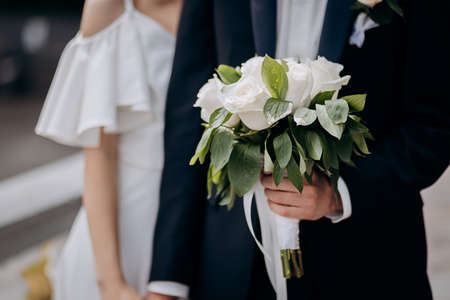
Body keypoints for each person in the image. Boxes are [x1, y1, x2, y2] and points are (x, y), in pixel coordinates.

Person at [147, 0, 450, 299]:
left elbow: (434, 122)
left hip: (367, 257)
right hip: (233, 260)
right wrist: (167, 280)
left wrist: (340, 192)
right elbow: (188, 120)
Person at [35, 0, 183, 299]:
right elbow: (100, 154)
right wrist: (112, 283)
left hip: (195, 230)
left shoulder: (221, 9)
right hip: (119, 229)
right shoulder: (109, 7)